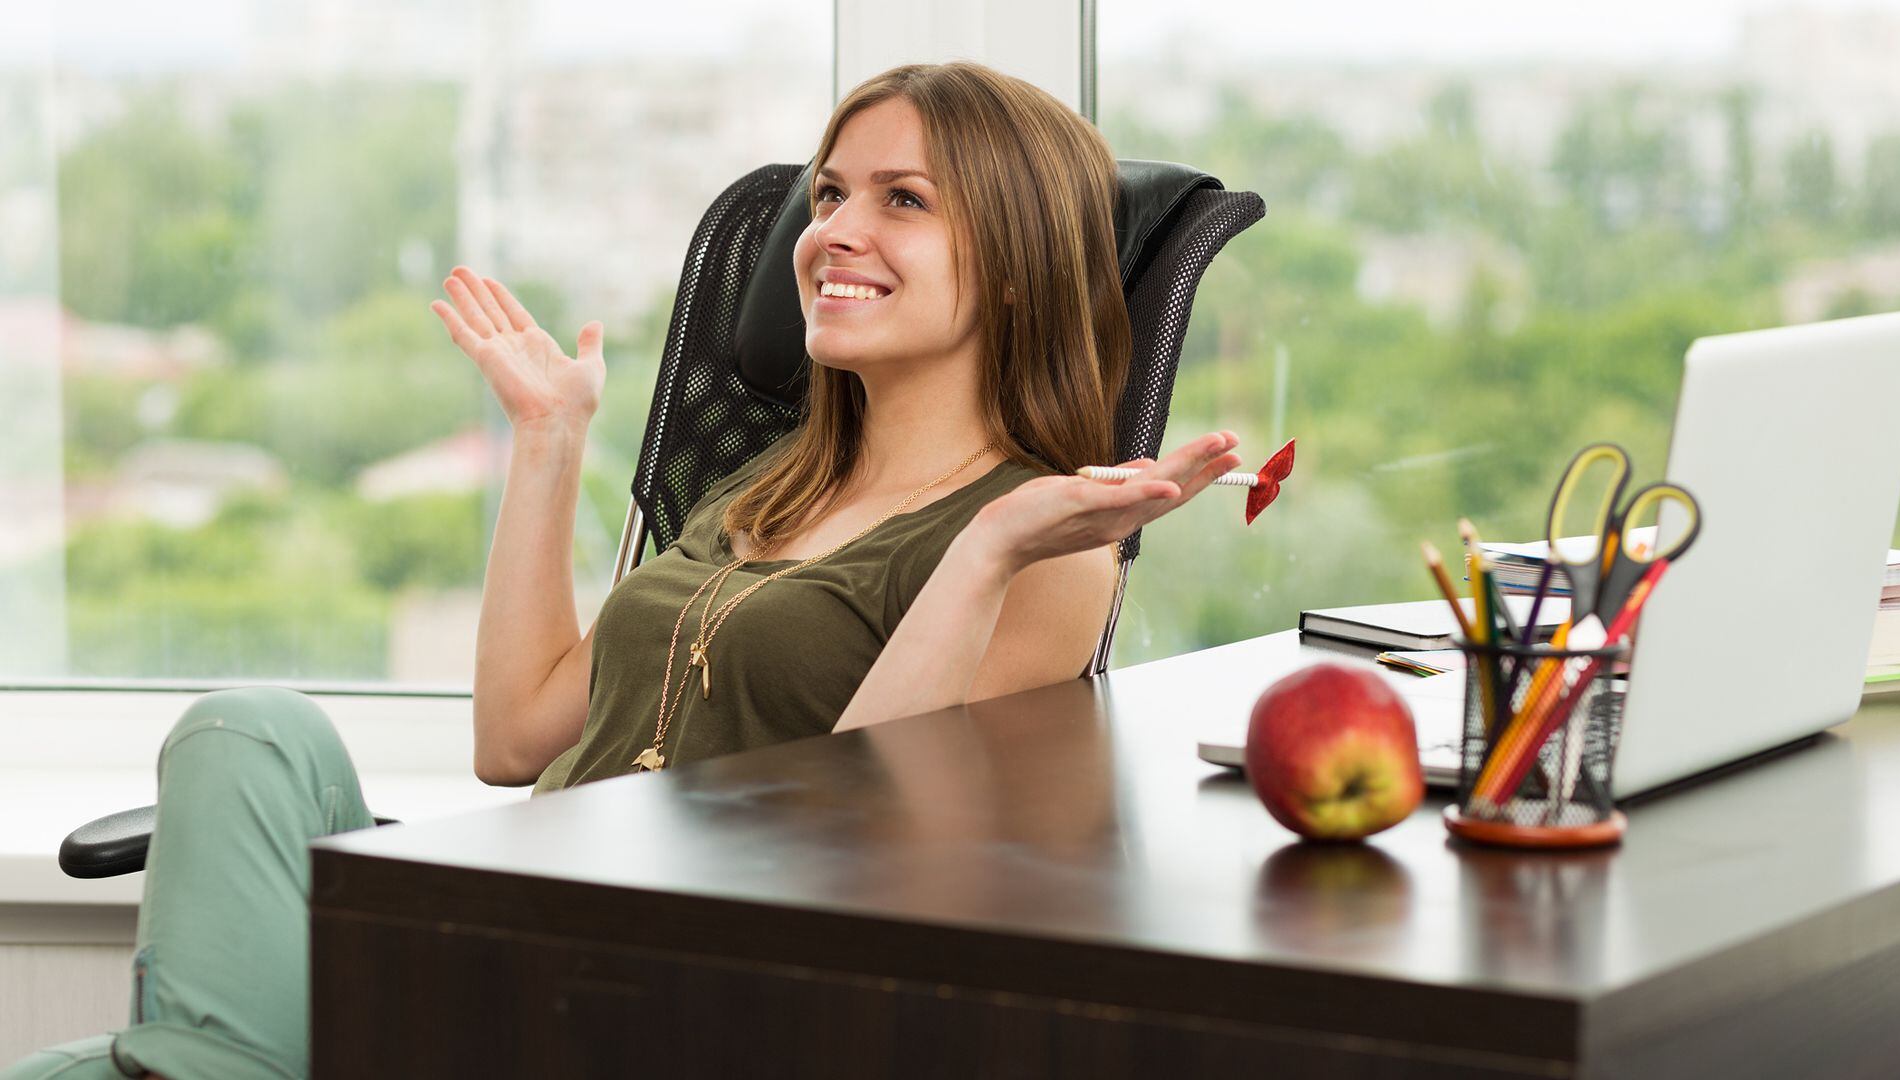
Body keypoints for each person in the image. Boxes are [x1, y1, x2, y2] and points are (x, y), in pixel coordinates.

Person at [3, 61, 1240, 1080]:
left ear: (1019, 261)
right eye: (828, 194)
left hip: (648, 1008)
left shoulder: (1037, 544)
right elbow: (520, 736)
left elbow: (875, 854)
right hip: (500, 939)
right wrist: (547, 442)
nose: (834, 233)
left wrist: (981, 553)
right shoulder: (766, 489)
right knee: (250, 731)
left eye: (902, 200)